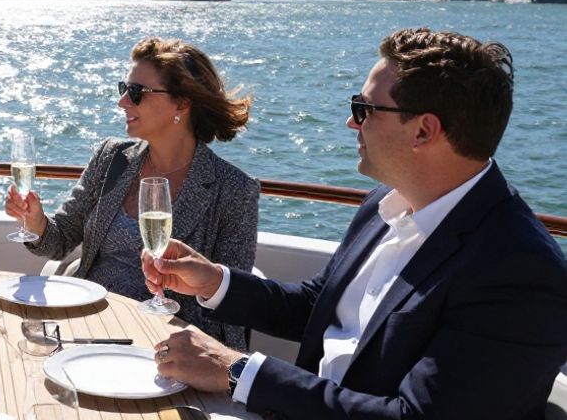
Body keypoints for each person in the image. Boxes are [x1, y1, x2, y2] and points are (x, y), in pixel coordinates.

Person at [143, 28, 567, 419]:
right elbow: (319, 306)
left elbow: (414, 417)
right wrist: (214, 282)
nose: (351, 122)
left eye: (363, 109)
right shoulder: (387, 202)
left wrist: (237, 371)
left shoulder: (518, 271)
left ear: (423, 131)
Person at [5, 36, 258, 349]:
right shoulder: (112, 158)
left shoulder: (233, 190)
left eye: (136, 92)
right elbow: (61, 239)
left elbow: (232, 301)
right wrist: (36, 221)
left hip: (167, 343)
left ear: (182, 103)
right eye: (123, 89)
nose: (123, 101)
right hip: (87, 326)